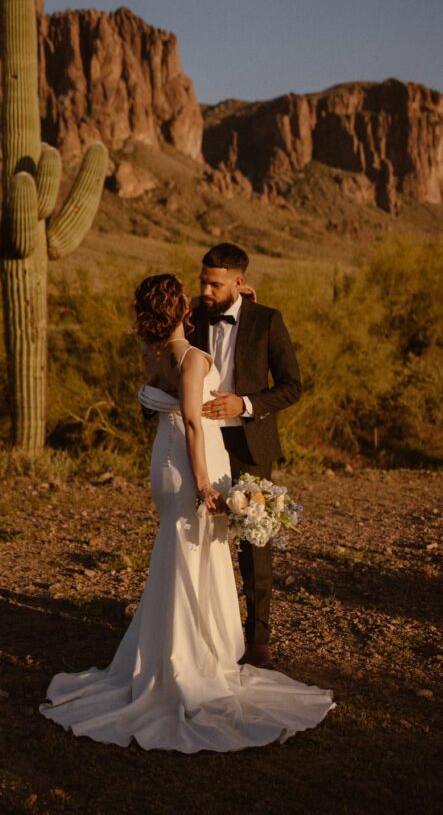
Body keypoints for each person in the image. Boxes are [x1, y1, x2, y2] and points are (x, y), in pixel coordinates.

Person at [40, 274, 333, 752]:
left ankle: (170, 649)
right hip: (192, 462)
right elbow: (196, 422)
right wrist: (202, 482)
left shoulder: (153, 350)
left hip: (164, 459)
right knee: (199, 552)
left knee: (179, 552)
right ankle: (191, 658)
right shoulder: (193, 357)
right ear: (182, 309)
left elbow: (175, 390)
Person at [189, 243, 301, 669]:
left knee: (256, 541)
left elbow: (292, 385)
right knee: (197, 533)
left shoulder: (267, 320)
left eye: (215, 283)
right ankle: (204, 632)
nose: (205, 288)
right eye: (202, 280)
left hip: (250, 444)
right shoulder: (194, 316)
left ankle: (258, 641)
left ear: (238, 282)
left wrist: (246, 404)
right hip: (200, 441)